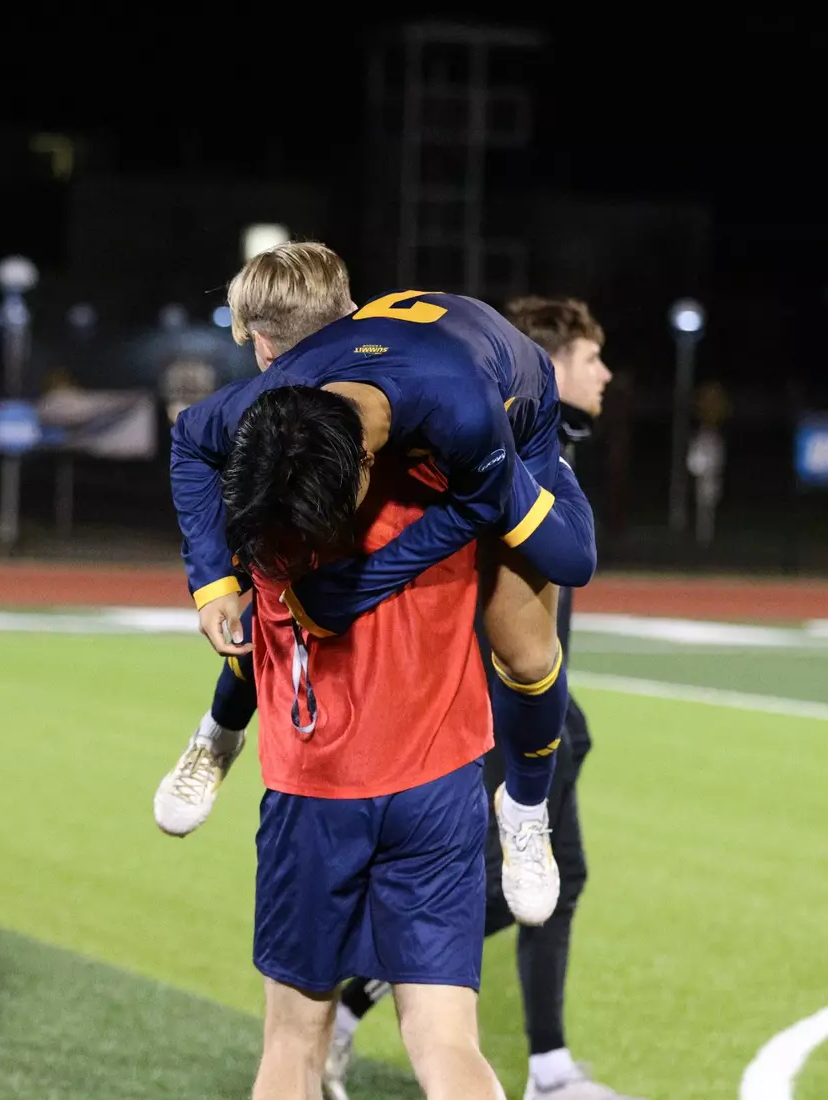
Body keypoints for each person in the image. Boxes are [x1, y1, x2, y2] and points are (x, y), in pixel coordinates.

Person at [167, 245, 597, 1099]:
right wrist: (212, 580)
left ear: (364, 471)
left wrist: (354, 583)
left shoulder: (465, 423)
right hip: (432, 789)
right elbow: (190, 441)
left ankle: (523, 809)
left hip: (512, 418)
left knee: (543, 605)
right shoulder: (270, 409)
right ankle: (217, 729)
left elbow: (509, 522)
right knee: (445, 1042)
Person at [328, 298, 643, 1100]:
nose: (603, 373)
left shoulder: (547, 446)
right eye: (588, 357)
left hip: (538, 707)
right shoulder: (491, 450)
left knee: (559, 879)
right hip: (485, 711)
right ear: (548, 363)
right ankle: (353, 996)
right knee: (481, 886)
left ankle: (548, 1070)